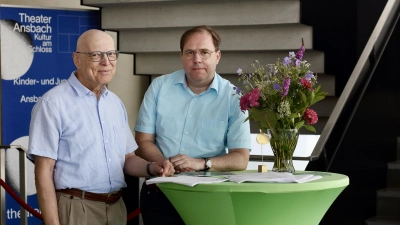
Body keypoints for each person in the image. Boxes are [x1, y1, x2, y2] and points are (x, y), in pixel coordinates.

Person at [27, 29, 165, 225]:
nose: (106, 62)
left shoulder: (115, 103)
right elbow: (44, 172)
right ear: (77, 60)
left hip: (116, 207)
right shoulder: (52, 103)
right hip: (77, 209)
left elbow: (127, 159)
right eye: (95, 55)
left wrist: (152, 167)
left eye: (111, 54)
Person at [134, 25, 251, 225]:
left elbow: (241, 158)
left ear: (217, 56)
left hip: (210, 197)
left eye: (204, 52)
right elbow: (143, 140)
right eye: (190, 52)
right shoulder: (159, 87)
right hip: (161, 193)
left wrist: (202, 163)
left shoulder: (233, 97)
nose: (197, 59)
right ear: (181, 56)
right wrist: (163, 163)